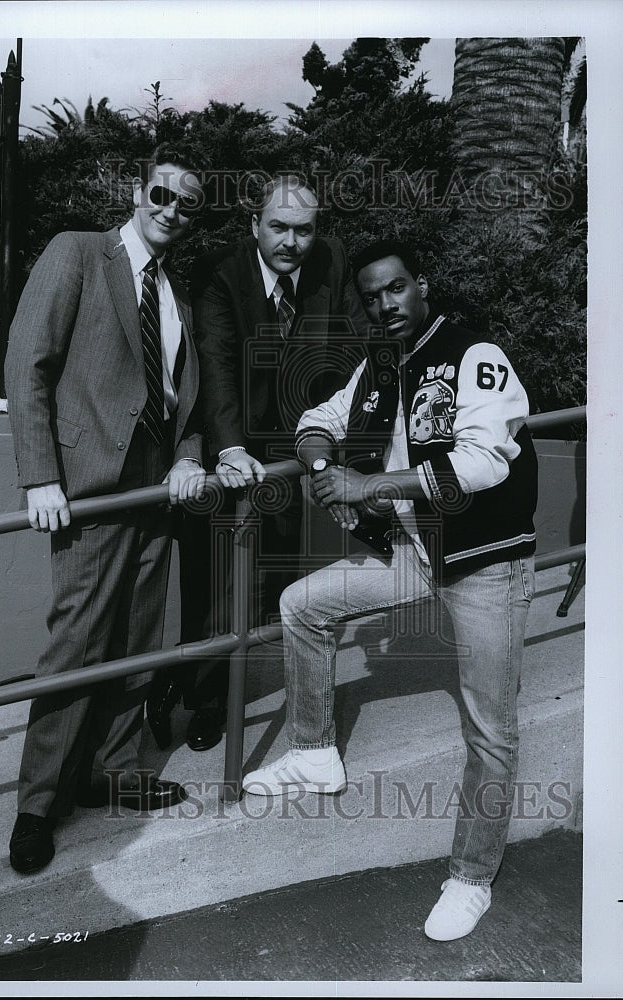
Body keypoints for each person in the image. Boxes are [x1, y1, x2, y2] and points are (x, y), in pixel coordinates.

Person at [242, 239, 538, 942]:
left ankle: (471, 879)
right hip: (413, 549)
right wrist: (319, 460)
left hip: (482, 560)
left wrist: (368, 484)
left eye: (397, 289)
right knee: (302, 606)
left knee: (490, 728)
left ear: (422, 286)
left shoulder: (474, 355)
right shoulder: (375, 368)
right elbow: (319, 420)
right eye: (372, 295)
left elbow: (483, 462)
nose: (386, 304)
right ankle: (315, 753)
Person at [3, 145, 207, 875]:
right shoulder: (78, 253)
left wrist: (188, 454)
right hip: (88, 487)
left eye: (187, 203)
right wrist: (39, 477)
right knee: (78, 641)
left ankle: (114, 771)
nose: (171, 211)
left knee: (139, 636)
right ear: (136, 190)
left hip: (155, 491)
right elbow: (28, 361)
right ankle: (37, 801)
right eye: (162, 194)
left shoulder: (175, 291)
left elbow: (180, 392)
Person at [147, 174, 368, 753]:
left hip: (294, 453)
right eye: (279, 227)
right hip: (230, 449)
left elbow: (353, 352)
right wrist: (229, 448)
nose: (292, 242)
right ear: (255, 225)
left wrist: (331, 438)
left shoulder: (331, 264)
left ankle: (203, 677)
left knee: (271, 582)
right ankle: (202, 698)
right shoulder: (223, 272)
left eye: (304, 229)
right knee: (214, 578)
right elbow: (216, 366)